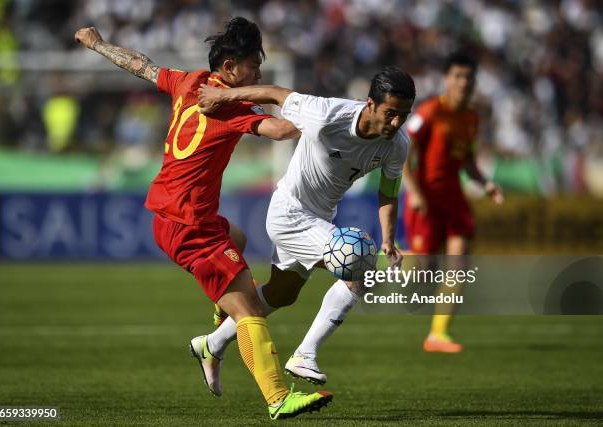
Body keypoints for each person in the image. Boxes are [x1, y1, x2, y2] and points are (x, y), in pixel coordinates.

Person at [74, 17, 333, 420]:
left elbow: (141, 65)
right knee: (249, 310)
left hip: (183, 215)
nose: (258, 73)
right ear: (229, 68)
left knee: (240, 240)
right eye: (252, 65)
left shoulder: (189, 81)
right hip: (187, 223)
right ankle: (278, 398)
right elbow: (283, 130)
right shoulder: (229, 108)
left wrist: (98, 44)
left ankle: (212, 340)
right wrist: (328, 116)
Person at [194, 66, 414, 389]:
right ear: (370, 104)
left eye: (403, 116)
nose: (396, 123)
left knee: (282, 293)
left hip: (320, 218)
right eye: (391, 113)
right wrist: (222, 95)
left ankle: (211, 345)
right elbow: (276, 93)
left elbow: (389, 190)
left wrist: (389, 240)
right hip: (288, 213)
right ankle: (305, 354)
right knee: (360, 263)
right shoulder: (326, 115)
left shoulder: (397, 144)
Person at [402, 52, 504, 353]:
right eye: (457, 76)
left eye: (468, 77)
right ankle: (382, 259)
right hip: (427, 199)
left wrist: (485, 184)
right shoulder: (431, 111)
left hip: (454, 200)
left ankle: (438, 334)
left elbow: (467, 160)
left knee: (458, 265)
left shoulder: (471, 117)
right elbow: (404, 152)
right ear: (447, 79)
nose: (463, 82)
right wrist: (415, 191)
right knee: (423, 273)